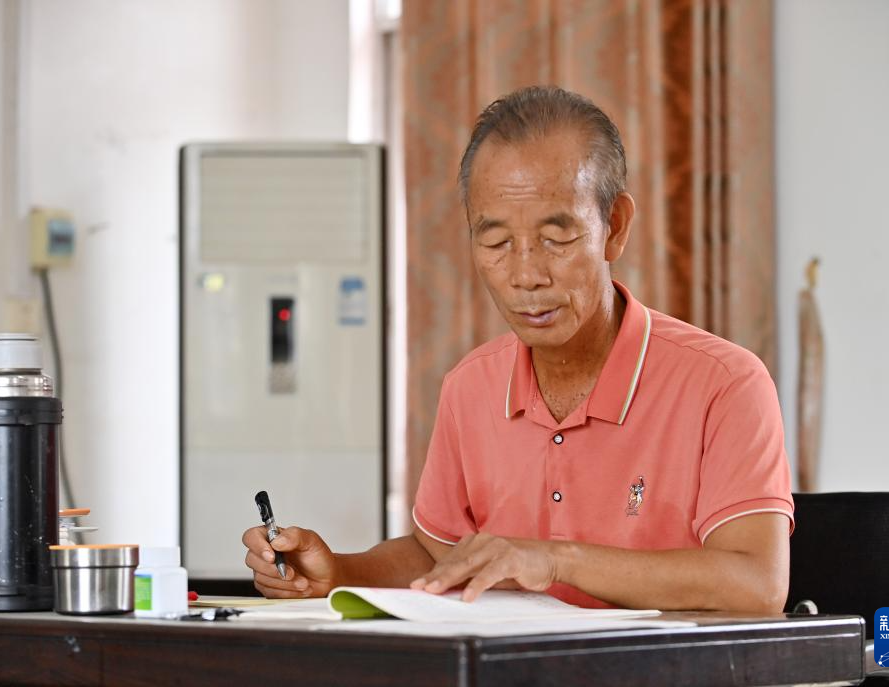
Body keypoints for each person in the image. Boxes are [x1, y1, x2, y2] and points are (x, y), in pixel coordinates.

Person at [243, 86, 793, 612]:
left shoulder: (724, 383)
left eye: (556, 239)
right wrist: (339, 572)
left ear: (615, 227)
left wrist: (554, 560)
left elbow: (756, 584)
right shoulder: (470, 387)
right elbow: (440, 556)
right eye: (497, 241)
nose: (526, 275)